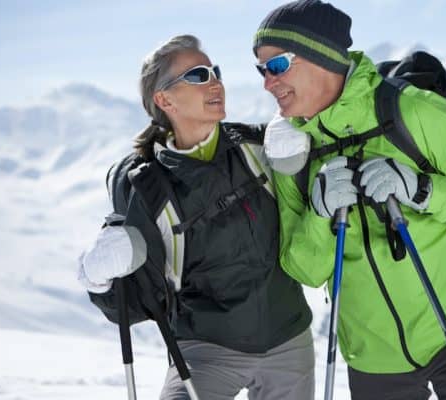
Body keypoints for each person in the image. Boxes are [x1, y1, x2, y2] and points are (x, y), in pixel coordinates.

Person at [253, 1, 446, 399]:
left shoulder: (409, 110)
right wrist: (320, 214)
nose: (267, 82)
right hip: (373, 358)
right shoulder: (296, 150)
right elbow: (304, 270)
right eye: (261, 70)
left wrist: (422, 189)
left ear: (321, 56)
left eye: (276, 66)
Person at [77, 34, 314, 400]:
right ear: (164, 99)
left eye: (214, 72)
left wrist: (305, 154)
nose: (215, 81)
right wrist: (99, 278)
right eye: (198, 75)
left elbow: (316, 209)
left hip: (287, 339)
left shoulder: (258, 147)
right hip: (206, 350)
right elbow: (141, 300)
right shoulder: (147, 185)